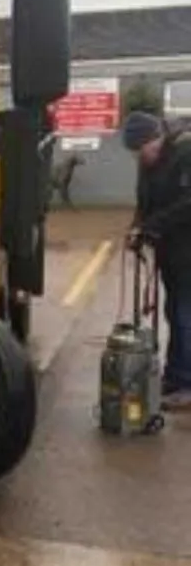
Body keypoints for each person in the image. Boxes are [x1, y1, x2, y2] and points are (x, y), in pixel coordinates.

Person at [121, 110, 191, 409]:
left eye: (143, 149)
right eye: (136, 153)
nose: (141, 157)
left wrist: (152, 226)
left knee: (185, 315)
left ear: (157, 138)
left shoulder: (185, 153)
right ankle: (174, 376)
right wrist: (136, 227)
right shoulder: (147, 163)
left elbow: (188, 203)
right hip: (170, 249)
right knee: (172, 311)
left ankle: (187, 385)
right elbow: (144, 200)